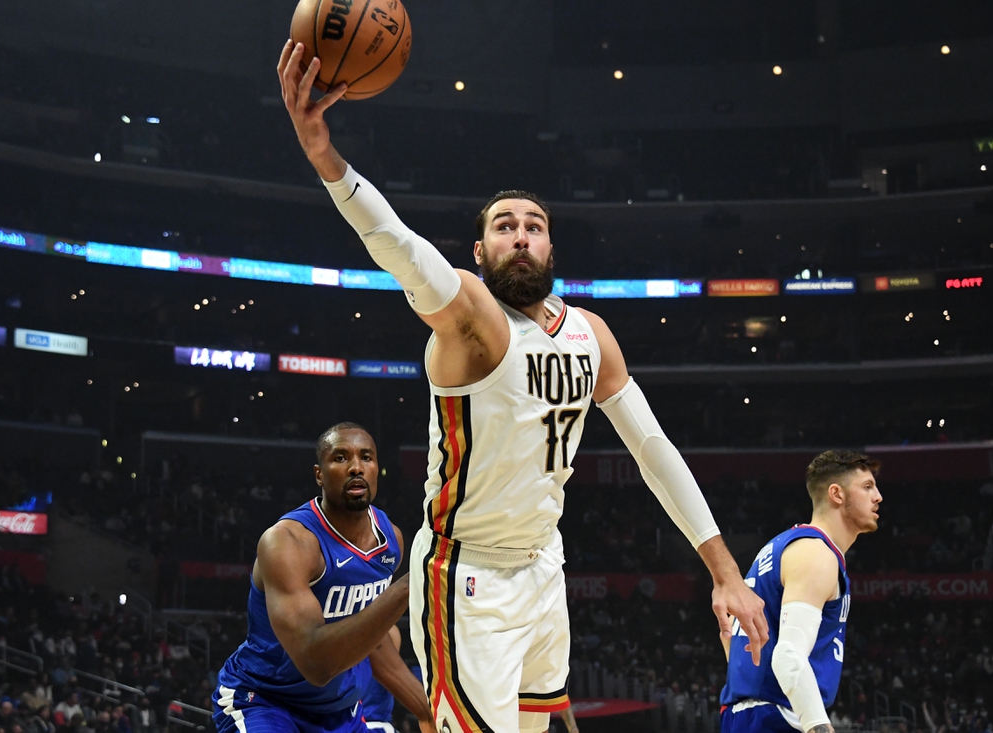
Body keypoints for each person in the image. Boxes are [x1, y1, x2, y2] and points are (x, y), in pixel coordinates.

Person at [277, 40, 769, 733]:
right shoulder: (472, 320)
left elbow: (652, 448)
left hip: (544, 564)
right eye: (504, 227)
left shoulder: (591, 334)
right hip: (465, 576)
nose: (520, 236)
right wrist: (326, 156)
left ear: (550, 248)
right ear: (480, 252)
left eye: (534, 227)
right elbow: (400, 247)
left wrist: (724, 571)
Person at [211, 423, 434, 733]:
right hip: (265, 700)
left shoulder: (390, 540)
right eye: (341, 457)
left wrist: (426, 711)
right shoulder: (287, 542)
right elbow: (316, 666)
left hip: (339, 713)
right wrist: (411, 584)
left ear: (377, 469)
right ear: (319, 474)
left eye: (366, 457)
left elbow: (373, 642)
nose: (356, 467)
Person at [719, 450, 883, 733]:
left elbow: (729, 636)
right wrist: (818, 725)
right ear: (836, 494)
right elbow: (788, 656)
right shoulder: (816, 554)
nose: (877, 496)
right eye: (867, 487)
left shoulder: (783, 546)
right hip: (776, 715)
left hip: (749, 713)